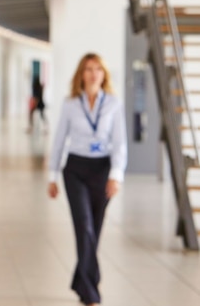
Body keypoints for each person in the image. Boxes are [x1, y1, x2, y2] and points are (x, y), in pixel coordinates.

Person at [47, 53, 127, 306]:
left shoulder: (113, 103)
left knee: (95, 230)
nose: (93, 74)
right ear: (81, 74)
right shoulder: (71, 103)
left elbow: (120, 143)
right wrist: (52, 175)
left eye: (98, 69)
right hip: (76, 170)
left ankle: (81, 282)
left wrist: (116, 175)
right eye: (88, 69)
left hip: (102, 171)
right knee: (84, 226)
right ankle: (92, 292)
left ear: (104, 75)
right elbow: (60, 140)